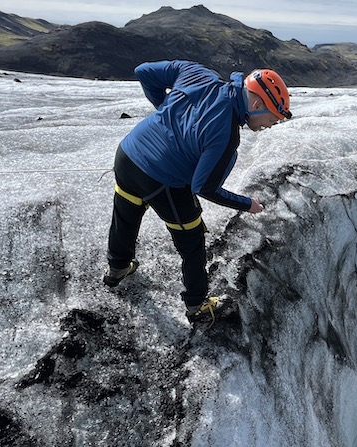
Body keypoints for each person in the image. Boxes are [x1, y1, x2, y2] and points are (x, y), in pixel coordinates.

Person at [102, 60, 291, 325]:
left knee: (127, 210)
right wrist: (248, 204)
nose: (272, 124)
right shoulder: (226, 136)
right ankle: (197, 306)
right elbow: (204, 187)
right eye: (273, 118)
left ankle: (118, 268)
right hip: (163, 179)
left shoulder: (197, 73)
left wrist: (165, 112)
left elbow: (143, 71)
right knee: (191, 242)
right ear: (257, 104)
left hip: (128, 154)